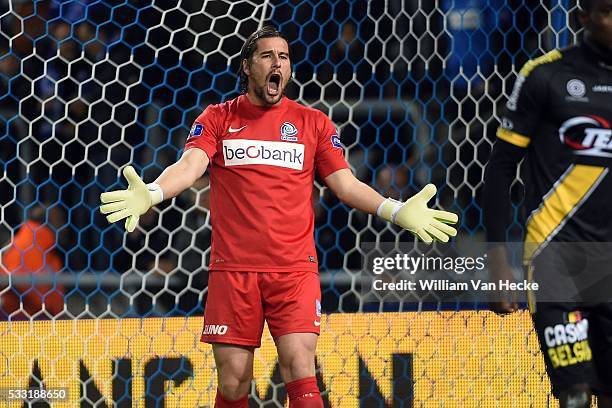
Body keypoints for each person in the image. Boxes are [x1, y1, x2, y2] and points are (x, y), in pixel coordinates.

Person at [100, 26, 458, 407]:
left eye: (284, 58)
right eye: (267, 56)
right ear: (246, 67)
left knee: (299, 366)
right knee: (234, 380)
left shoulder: (313, 123)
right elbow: (190, 166)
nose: (277, 64)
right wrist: (153, 192)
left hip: (294, 270)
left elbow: (346, 185)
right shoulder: (218, 118)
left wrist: (397, 210)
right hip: (233, 270)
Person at [483, 1, 612, 407]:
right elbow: (500, 171)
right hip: (556, 257)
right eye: (608, 11)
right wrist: (497, 261)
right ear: (583, 18)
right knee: (574, 395)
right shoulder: (546, 75)